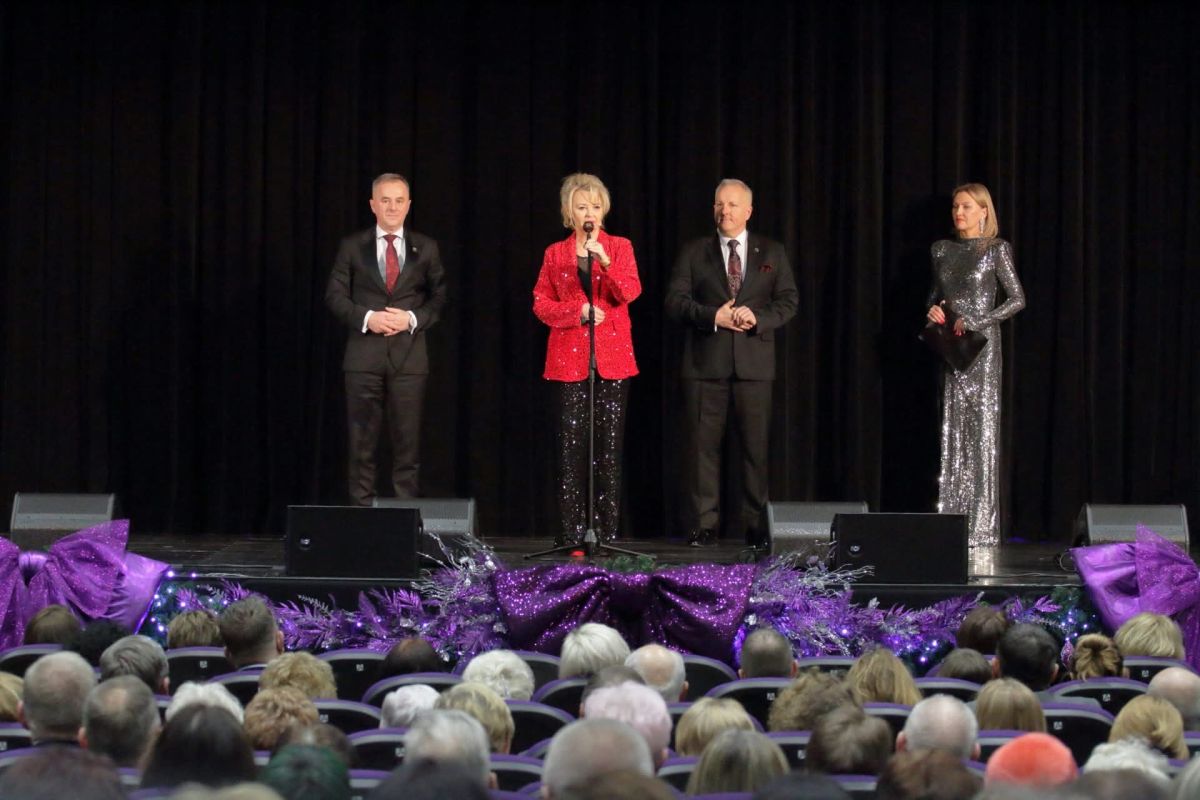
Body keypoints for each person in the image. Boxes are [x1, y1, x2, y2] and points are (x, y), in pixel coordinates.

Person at [665, 178, 798, 547]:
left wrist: (759, 318)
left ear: (748, 211)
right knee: (702, 450)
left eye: (733, 204)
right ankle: (703, 524)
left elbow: (788, 300)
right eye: (719, 204)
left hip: (755, 368)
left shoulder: (771, 251)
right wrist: (713, 316)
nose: (725, 211)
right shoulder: (694, 252)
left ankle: (755, 526)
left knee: (755, 451)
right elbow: (674, 301)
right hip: (705, 367)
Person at [325, 172, 448, 505]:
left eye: (399, 201)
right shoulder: (352, 246)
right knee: (361, 444)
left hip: (409, 359)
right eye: (385, 200)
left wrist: (412, 318)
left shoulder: (426, 247)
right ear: (373, 205)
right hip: (363, 359)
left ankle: (405, 516)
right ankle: (362, 515)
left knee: (407, 445)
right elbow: (335, 296)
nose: (392, 207)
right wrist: (368, 318)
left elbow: (440, 298)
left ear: (408, 205)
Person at [532, 172, 641, 545]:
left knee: (608, 450)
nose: (589, 213)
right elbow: (541, 304)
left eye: (595, 206)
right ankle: (572, 534)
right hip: (568, 360)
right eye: (581, 207)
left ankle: (605, 534)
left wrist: (605, 261)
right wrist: (576, 312)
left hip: (613, 360)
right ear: (570, 213)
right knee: (571, 450)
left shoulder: (620, 247)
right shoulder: (555, 253)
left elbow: (630, 291)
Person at [926, 182, 1025, 548]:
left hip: (981, 349)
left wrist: (979, 320)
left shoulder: (995, 249)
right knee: (952, 431)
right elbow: (934, 297)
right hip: (952, 348)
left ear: (984, 211)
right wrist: (932, 311)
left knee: (981, 433)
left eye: (967, 206)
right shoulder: (941, 249)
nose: (959, 213)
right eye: (956, 206)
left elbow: (1017, 299)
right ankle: (951, 524)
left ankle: (981, 528)